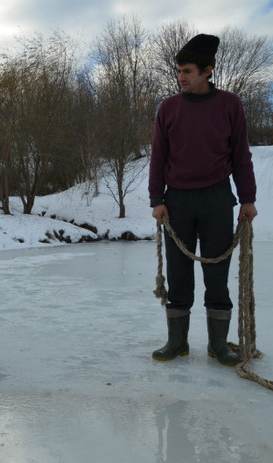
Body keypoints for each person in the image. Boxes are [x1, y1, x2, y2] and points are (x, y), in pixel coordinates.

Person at [149, 34, 258, 366]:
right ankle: (177, 342)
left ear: (207, 71)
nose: (181, 77)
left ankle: (218, 345)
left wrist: (248, 198)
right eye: (179, 71)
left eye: (188, 71)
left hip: (217, 199)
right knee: (179, 272)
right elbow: (158, 157)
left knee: (217, 273)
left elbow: (241, 155)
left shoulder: (230, 104)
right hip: (177, 200)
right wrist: (157, 199)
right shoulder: (168, 108)